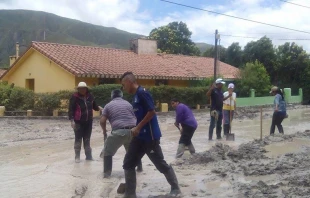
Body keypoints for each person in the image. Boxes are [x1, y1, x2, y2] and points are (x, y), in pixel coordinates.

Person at [121, 72, 181, 198]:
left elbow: (152, 111)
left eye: (123, 85)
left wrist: (138, 127)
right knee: (128, 163)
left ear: (129, 81)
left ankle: (176, 188)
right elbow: (140, 115)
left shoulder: (143, 93)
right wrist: (135, 127)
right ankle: (130, 194)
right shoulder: (135, 96)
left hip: (150, 137)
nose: (123, 88)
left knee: (159, 163)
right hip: (139, 137)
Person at [99, 89, 143, 178]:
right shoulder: (128, 104)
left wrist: (104, 130)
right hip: (133, 131)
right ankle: (139, 170)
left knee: (107, 152)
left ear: (112, 97)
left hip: (118, 131)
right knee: (133, 152)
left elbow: (102, 121)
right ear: (121, 96)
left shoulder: (108, 105)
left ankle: (107, 175)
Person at [68, 82, 102, 163]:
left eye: (84, 88)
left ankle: (89, 156)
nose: (82, 90)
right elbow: (71, 109)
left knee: (87, 139)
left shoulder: (90, 96)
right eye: (80, 88)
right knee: (78, 139)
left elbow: (94, 106)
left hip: (88, 121)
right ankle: (77, 156)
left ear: (86, 89)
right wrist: (72, 120)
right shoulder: (74, 97)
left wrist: (99, 108)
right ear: (78, 89)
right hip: (78, 122)